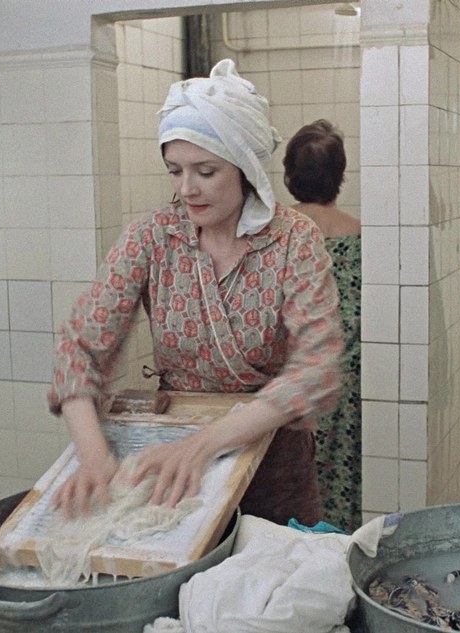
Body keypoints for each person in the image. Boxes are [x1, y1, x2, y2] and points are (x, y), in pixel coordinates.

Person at [47, 59, 344, 527]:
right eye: (174, 171)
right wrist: (95, 457)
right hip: (173, 472)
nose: (186, 189)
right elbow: (80, 347)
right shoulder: (152, 238)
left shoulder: (293, 240)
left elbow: (317, 366)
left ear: (245, 168)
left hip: (271, 465)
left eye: (205, 171)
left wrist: (203, 445)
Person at [282, 119, 362, 532]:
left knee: (293, 478)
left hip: (291, 376)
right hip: (346, 376)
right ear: (339, 176)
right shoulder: (361, 235)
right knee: (343, 473)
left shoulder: (278, 232)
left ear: (289, 174)